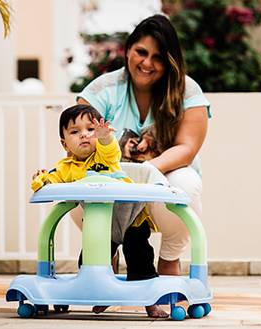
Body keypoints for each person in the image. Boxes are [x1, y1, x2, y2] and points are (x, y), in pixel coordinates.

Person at [72, 13, 210, 282]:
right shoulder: (102, 89)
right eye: (141, 52)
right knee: (80, 181)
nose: (147, 63)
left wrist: (143, 173)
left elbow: (187, 148)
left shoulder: (188, 91)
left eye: (158, 57)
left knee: (187, 183)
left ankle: (169, 261)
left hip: (163, 178)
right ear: (128, 52)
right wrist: (119, 178)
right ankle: (103, 257)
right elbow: (80, 142)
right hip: (110, 178)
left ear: (170, 60)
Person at [31, 104, 168, 318]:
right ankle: (102, 294)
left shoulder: (103, 157)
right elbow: (52, 178)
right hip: (100, 223)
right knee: (90, 260)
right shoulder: (66, 168)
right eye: (75, 132)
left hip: (132, 217)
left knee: (139, 257)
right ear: (64, 143)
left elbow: (110, 150)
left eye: (90, 129)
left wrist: (104, 138)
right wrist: (41, 179)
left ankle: (149, 302)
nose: (84, 135)